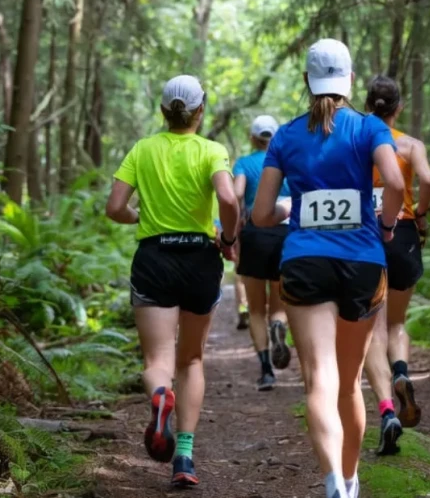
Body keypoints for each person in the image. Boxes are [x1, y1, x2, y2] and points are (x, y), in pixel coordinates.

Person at [252, 39, 405, 498]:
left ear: (306, 81)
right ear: (350, 80)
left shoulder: (285, 135)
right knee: (350, 384)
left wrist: (286, 210)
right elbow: (394, 182)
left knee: (320, 378)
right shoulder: (370, 127)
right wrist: (387, 223)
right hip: (362, 261)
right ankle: (352, 480)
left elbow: (259, 215)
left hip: (305, 261)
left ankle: (333, 482)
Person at [104, 75, 242, 489]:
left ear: (164, 111)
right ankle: (184, 455)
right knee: (193, 360)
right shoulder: (212, 150)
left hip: (155, 258)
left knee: (157, 363)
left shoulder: (142, 149)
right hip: (200, 259)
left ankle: (161, 395)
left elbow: (114, 208)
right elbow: (229, 199)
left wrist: (139, 218)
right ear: (200, 112)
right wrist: (229, 239)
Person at [360, 75, 430, 456]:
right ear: (399, 108)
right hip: (403, 233)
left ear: (367, 104)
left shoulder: (361, 140)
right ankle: (402, 372)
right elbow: (427, 178)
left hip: (367, 233)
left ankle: (387, 407)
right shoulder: (409, 144)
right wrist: (420, 213)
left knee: (375, 327)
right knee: (398, 323)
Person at [233, 114, 294, 390]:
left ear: (252, 138)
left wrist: (233, 232)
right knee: (279, 305)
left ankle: (267, 370)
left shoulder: (244, 163)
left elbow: (236, 194)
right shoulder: (286, 161)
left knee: (256, 309)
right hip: (285, 234)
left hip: (255, 236)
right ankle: (279, 327)